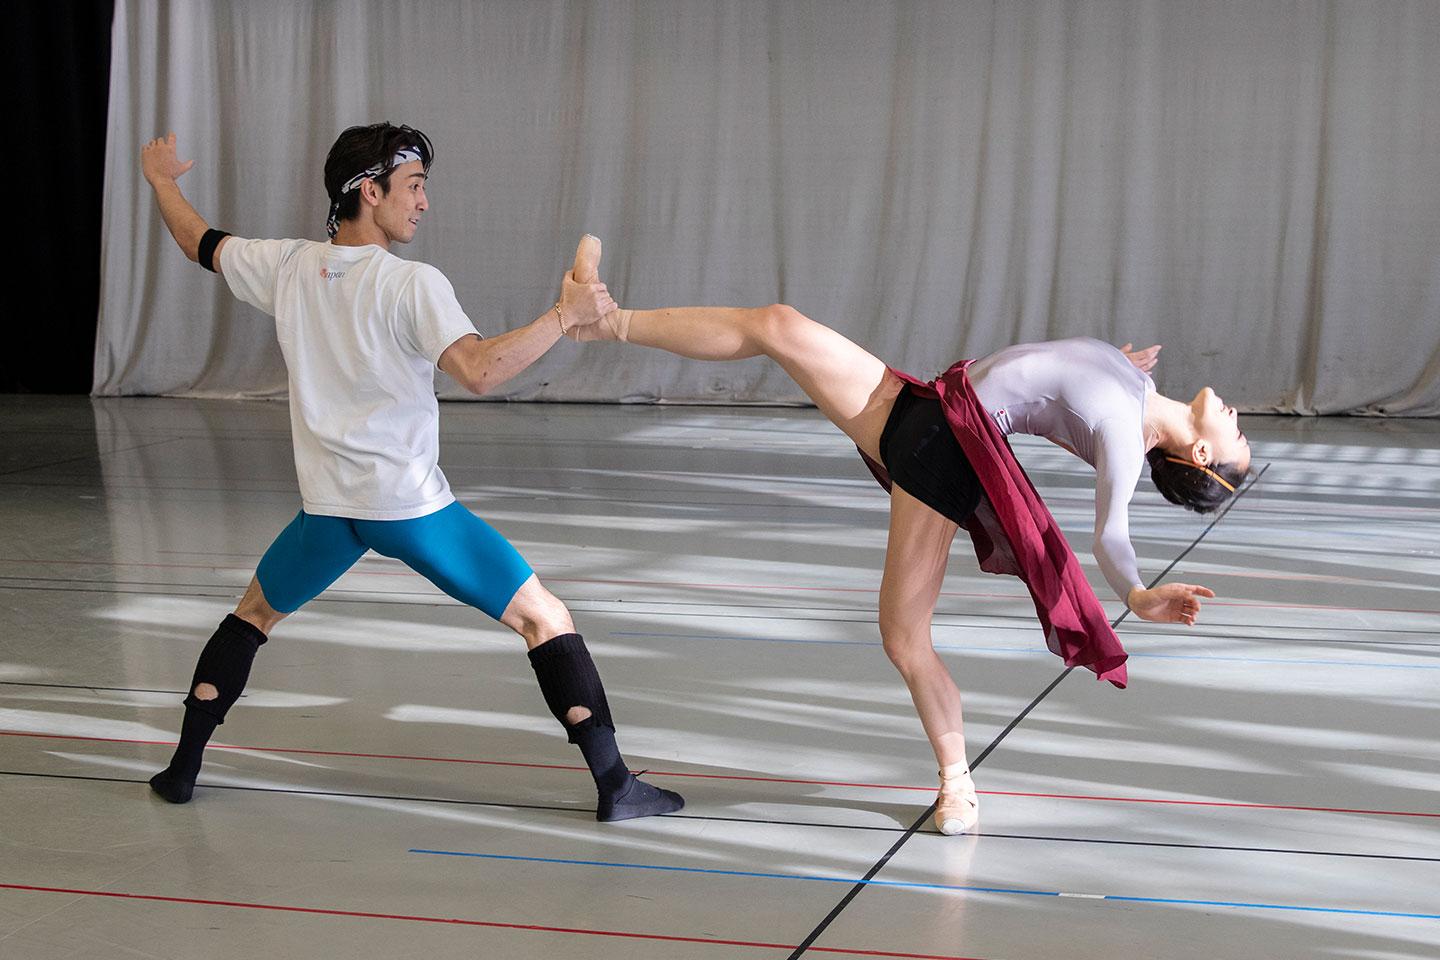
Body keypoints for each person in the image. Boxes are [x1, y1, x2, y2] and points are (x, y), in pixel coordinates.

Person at [565, 281, 1250, 835]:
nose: (1236, 415)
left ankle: (957, 784)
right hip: (923, 405)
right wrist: (1112, 367)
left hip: (945, 456)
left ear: (1200, 455)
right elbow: (1063, 386)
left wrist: (1133, 593)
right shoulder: (1130, 386)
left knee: (902, 638)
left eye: (1236, 435)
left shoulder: (1126, 437)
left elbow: (1111, 534)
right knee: (776, 321)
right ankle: (607, 321)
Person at [138, 125, 682, 822]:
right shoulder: (412, 284)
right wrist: (563, 315)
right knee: (544, 617)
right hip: (411, 510)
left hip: (328, 510)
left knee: (253, 616)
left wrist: (161, 182)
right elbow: (481, 370)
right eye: (415, 186)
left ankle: (182, 771)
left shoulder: (288, 266)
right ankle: (616, 786)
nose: (424, 203)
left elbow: (198, 242)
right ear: (369, 191)